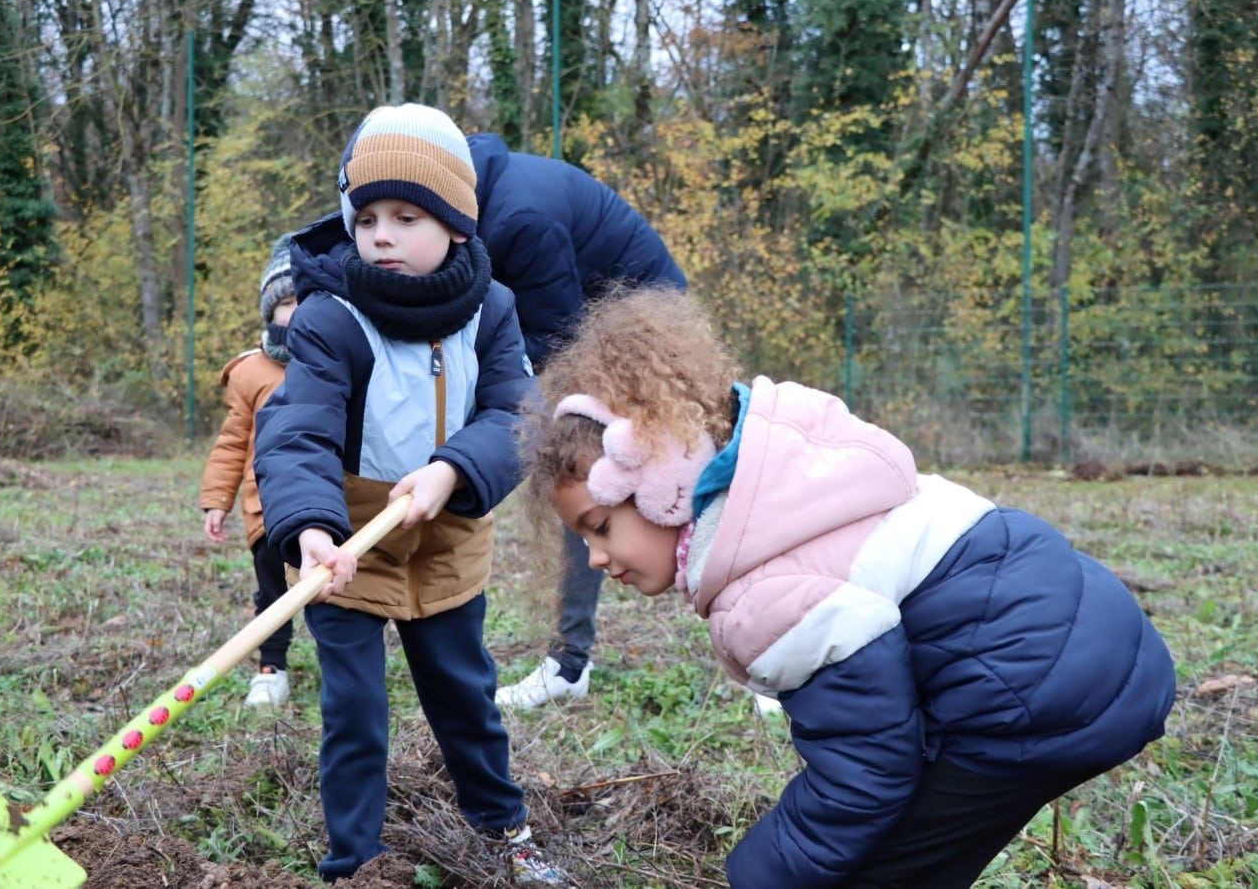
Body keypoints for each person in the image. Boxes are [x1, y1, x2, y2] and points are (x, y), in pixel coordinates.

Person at [515, 286, 1177, 889]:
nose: (597, 559)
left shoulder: (763, 594)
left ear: (663, 482)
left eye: (600, 526)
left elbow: (867, 777)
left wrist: (757, 872)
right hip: (1099, 643)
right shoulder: (793, 477)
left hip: (1038, 697)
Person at [252, 104, 565, 886]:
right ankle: (354, 862)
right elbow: (298, 433)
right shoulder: (330, 319)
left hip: (448, 536)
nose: (380, 235)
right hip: (349, 542)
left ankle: (504, 831)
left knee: (466, 697)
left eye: (406, 216)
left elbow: (515, 412)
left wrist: (456, 468)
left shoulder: (493, 311)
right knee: (354, 712)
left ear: (457, 225)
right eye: (366, 218)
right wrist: (311, 531)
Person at [464, 133, 750, 712]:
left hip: (642, 329)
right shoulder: (471, 209)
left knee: (635, 477)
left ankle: (756, 642)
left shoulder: (519, 219)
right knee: (584, 491)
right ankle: (570, 666)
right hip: (585, 322)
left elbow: (553, 348)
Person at [198, 235, 298, 708]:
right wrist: (217, 500)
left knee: (329, 592)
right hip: (266, 508)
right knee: (273, 591)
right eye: (288, 302)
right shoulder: (251, 373)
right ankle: (271, 665)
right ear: (270, 311)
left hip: (326, 505)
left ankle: (345, 663)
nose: (297, 311)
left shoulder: (338, 360)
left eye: (308, 300)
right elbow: (233, 441)